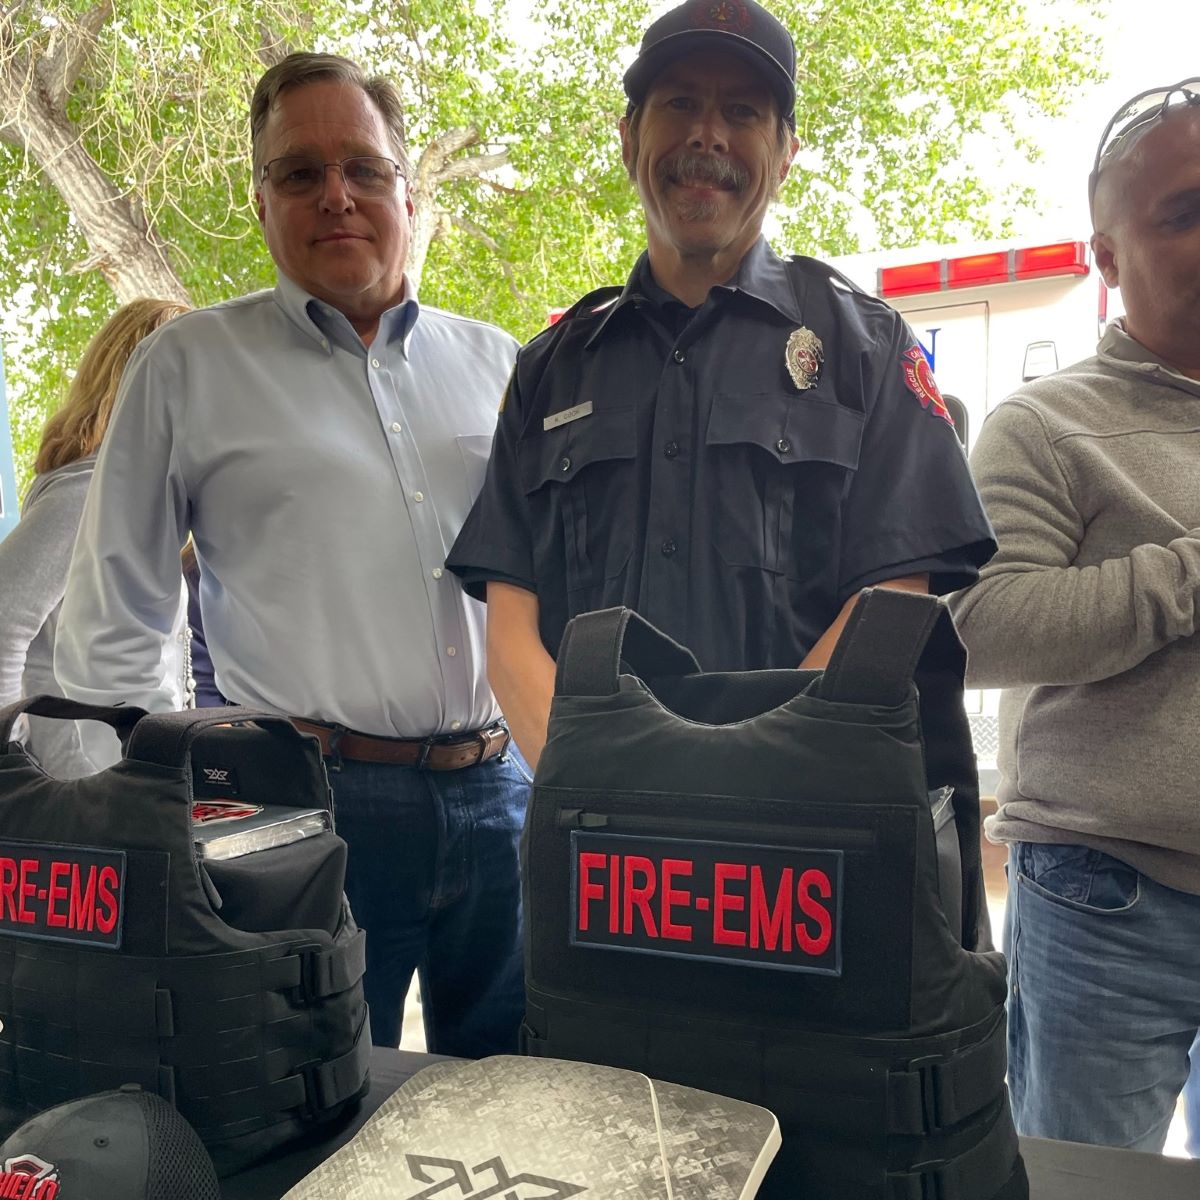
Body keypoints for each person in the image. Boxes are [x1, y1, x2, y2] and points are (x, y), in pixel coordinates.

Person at [55, 53, 527, 1057]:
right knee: (315, 1096)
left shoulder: (497, 362)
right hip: (307, 805)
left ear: (407, 187)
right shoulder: (188, 366)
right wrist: (155, 818)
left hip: (504, 793)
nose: (337, 196)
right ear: (262, 200)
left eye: (363, 167)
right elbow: (119, 611)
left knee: (521, 1086)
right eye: (300, 173)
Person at [447, 0, 995, 766]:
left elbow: (893, 599)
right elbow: (509, 625)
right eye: (680, 103)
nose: (708, 135)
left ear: (786, 153)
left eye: (742, 110)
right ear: (629, 137)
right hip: (595, 835)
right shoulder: (551, 366)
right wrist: (591, 781)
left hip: (798, 829)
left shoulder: (866, 346)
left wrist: (745, 784)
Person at [948, 80, 1200, 1152]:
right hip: (1109, 900)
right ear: (1102, 256)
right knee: (1083, 1185)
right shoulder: (1045, 425)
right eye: (1184, 211)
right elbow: (986, 626)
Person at [0, 299, 189, 778]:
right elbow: (4, 620)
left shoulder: (134, 490)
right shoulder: (91, 490)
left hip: (113, 780)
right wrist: (14, 763)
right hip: (83, 789)